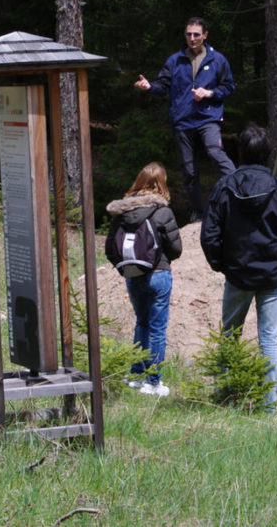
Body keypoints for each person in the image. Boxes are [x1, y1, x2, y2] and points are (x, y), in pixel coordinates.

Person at [199, 124, 277, 410]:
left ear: (240, 152)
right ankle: (268, 405)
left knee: (229, 337)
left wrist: (222, 265)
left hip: (238, 275)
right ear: (267, 154)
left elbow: (209, 235)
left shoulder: (225, 187)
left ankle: (224, 397)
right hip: (270, 277)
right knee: (269, 342)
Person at [135, 16, 237, 224]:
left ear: (205, 35)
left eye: (196, 34)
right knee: (189, 171)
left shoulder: (218, 60)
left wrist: (208, 93)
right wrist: (149, 87)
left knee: (215, 152)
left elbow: (228, 87)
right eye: (188, 34)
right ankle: (198, 213)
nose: (192, 38)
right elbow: (162, 86)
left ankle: (239, 192)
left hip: (208, 116)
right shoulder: (175, 60)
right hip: (183, 120)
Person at [105, 162, 183, 397]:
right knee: (158, 328)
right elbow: (176, 248)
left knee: (142, 323)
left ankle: (136, 375)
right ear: (162, 184)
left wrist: (126, 267)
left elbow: (110, 247)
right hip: (159, 274)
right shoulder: (162, 212)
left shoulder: (122, 212)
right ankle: (153, 382)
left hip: (133, 274)